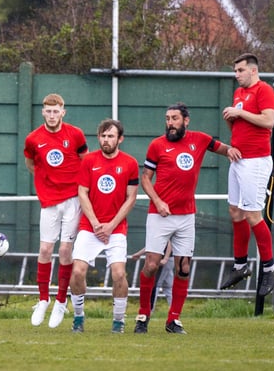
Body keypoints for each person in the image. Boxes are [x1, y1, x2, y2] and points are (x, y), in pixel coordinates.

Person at [134, 102, 237, 334]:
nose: (170, 123)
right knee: (151, 264)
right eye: (167, 119)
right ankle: (143, 315)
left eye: (175, 119)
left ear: (186, 121)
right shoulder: (157, 145)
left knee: (184, 268)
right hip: (160, 215)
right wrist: (158, 201)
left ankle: (173, 320)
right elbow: (145, 179)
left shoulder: (199, 140)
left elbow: (222, 148)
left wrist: (235, 151)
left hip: (186, 216)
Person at [23, 93, 88, 328]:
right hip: (49, 201)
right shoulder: (33, 139)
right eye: (48, 111)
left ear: (63, 112)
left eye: (56, 111)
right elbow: (31, 164)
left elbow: (85, 161)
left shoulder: (76, 134)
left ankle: (61, 301)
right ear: (43, 112)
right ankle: (43, 299)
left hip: (72, 200)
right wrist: (46, 180)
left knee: (65, 250)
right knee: (45, 249)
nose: (52, 115)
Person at [69, 118, 139, 333]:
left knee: (119, 274)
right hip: (90, 228)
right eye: (103, 136)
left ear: (120, 139)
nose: (106, 140)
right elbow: (82, 193)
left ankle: (118, 321)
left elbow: (131, 198)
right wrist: (96, 223)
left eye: (111, 136)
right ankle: (78, 318)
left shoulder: (130, 163)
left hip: (116, 230)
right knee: (78, 272)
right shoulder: (89, 160)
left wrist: (110, 226)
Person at [219, 53, 274, 297]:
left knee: (254, 214)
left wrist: (240, 113)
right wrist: (232, 144)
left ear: (253, 71)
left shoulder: (263, 90)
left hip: (256, 161)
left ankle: (269, 268)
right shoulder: (239, 93)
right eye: (235, 71)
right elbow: (239, 125)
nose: (237, 75)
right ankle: (240, 266)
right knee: (235, 211)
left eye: (240, 70)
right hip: (239, 159)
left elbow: (269, 121)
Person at [131, 242, 173, 312]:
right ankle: (174, 309)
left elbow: (169, 243)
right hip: (169, 258)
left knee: (156, 284)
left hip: (164, 259)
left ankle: (150, 309)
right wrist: (139, 254)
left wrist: (165, 258)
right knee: (168, 286)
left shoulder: (161, 232)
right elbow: (151, 245)